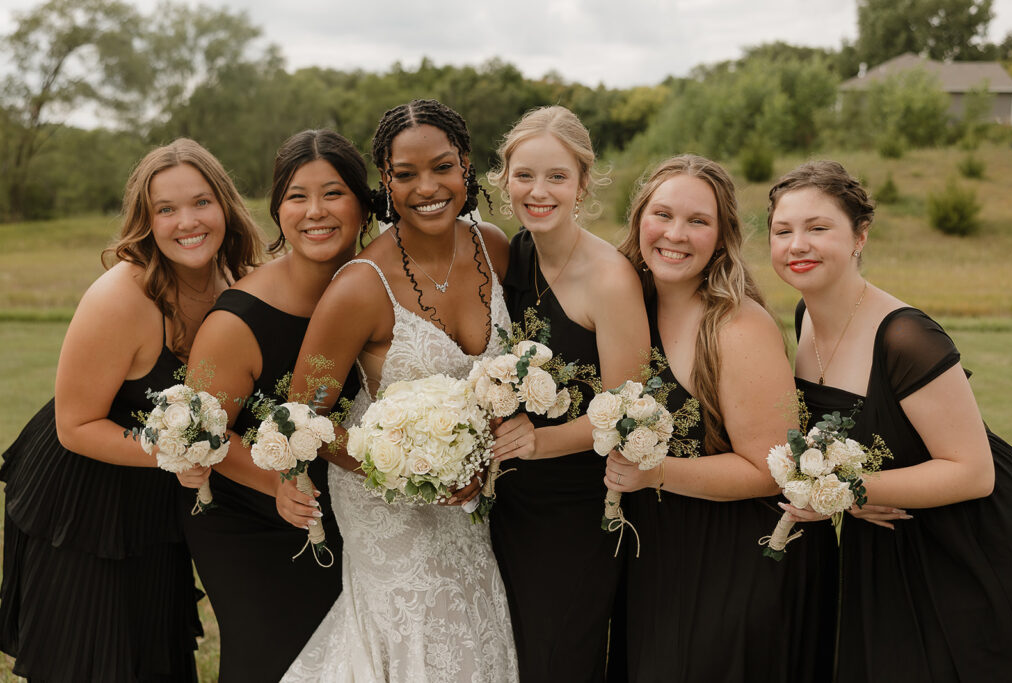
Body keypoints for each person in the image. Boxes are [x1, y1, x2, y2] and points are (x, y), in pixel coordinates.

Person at [0, 139, 264, 682]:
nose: (186, 222)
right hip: (82, 500)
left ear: (226, 206)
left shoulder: (235, 281)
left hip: (154, 501)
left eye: (200, 202)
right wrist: (173, 453)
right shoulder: (120, 297)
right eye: (165, 209)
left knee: (153, 657)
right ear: (146, 222)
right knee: (92, 660)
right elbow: (75, 426)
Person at [278, 99, 519, 682]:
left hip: (476, 506)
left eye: (442, 167)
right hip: (386, 504)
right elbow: (300, 418)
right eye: (405, 175)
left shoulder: (495, 247)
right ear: (385, 181)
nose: (426, 187)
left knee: (474, 628)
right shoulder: (361, 287)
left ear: (465, 166)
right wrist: (413, 468)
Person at [769, 160, 1012, 683]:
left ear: (860, 236)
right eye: (783, 230)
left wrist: (843, 492)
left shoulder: (906, 336)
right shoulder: (805, 316)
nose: (798, 244)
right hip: (890, 539)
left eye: (818, 228)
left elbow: (975, 471)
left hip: (968, 539)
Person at [610, 155, 832, 682]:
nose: (676, 235)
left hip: (736, 559)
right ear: (639, 217)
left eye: (698, 221)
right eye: (662, 214)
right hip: (655, 556)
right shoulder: (622, 302)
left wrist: (656, 472)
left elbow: (768, 467)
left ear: (723, 235)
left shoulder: (736, 324)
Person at [178, 130, 370, 682]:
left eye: (333, 194)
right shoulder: (236, 322)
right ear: (278, 210)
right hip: (250, 517)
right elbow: (200, 432)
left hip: (346, 507)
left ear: (362, 202)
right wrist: (278, 484)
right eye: (296, 196)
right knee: (275, 658)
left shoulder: (380, 289)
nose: (315, 212)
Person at [484, 105, 649, 681]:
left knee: (558, 658)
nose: (539, 191)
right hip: (506, 504)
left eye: (556, 176)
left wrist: (540, 444)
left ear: (583, 183)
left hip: (577, 510)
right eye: (524, 175)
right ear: (505, 180)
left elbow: (628, 414)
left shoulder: (609, 279)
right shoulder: (512, 255)